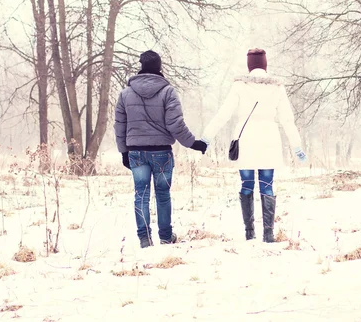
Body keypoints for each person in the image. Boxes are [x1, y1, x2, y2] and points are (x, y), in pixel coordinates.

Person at [201, 48, 307, 243]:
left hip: (246, 139)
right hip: (269, 139)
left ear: (249, 65)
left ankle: (249, 232)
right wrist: (296, 146)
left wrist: (206, 137)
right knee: (267, 184)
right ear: (265, 64)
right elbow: (287, 119)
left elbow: (223, 114)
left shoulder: (240, 86)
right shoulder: (277, 87)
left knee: (246, 184)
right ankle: (268, 234)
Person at [114, 50, 208, 249]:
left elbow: (119, 125)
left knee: (141, 194)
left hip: (136, 153)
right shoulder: (168, 92)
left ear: (141, 66)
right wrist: (193, 143)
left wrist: (124, 151)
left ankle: (144, 238)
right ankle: (165, 236)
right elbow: (175, 124)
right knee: (163, 194)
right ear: (159, 67)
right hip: (161, 153)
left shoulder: (125, 94)